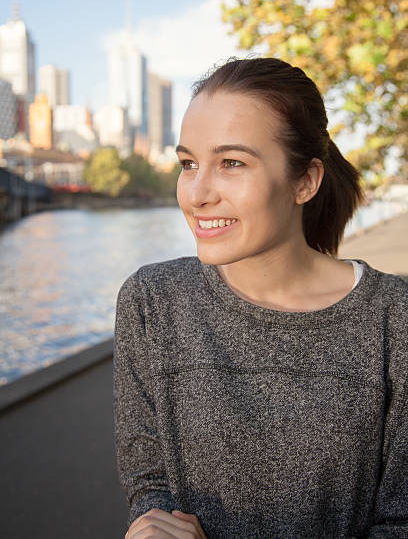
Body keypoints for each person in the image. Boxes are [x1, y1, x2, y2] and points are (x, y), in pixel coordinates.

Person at [113, 57, 408, 538]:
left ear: (305, 181)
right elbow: (150, 486)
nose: (197, 193)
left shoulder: (394, 318)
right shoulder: (152, 303)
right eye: (189, 163)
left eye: (231, 163)